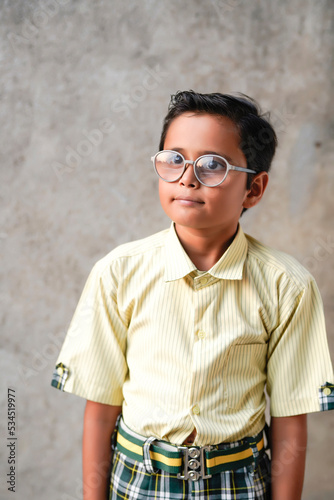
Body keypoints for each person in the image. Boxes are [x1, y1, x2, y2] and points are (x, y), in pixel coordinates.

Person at [51, 91, 334, 500]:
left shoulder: (286, 285)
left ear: (253, 189)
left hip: (238, 483)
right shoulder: (118, 272)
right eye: (174, 159)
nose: (187, 177)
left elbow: (290, 420)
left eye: (212, 165)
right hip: (137, 479)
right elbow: (100, 410)